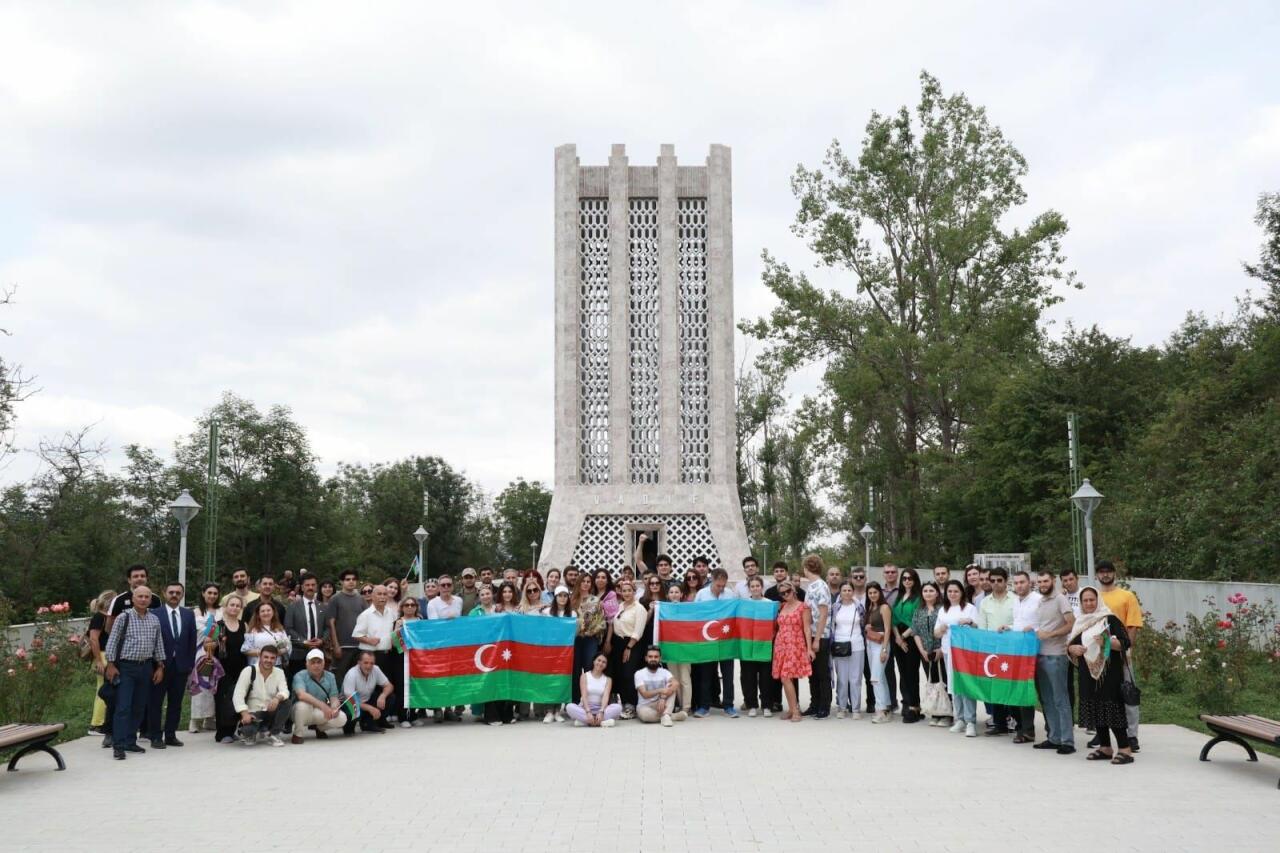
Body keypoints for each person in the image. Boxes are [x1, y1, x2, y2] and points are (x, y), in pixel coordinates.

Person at [1068, 587, 1134, 764]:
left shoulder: (1109, 618)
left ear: (1098, 601)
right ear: (1081, 603)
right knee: (1096, 708)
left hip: (1109, 674)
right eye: (1085, 601)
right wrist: (1072, 649)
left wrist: (1107, 641)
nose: (1089, 604)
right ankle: (1105, 747)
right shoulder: (1081, 621)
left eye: (1092, 600)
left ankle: (1125, 749)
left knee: (1112, 708)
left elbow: (1125, 643)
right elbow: (1071, 645)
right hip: (1087, 674)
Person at [103, 585, 166, 760]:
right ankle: (119, 745)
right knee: (123, 707)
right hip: (126, 667)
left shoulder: (154, 620)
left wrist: (160, 666)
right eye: (140, 596)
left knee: (139, 707)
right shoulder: (124, 618)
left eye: (147, 596)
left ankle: (130, 740)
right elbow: (112, 641)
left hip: (146, 667)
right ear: (133, 599)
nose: (144, 599)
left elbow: (158, 644)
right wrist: (110, 664)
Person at [1096, 560, 1143, 751]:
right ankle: (1103, 733)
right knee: (1102, 696)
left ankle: (1131, 736)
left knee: (1127, 693)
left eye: (1108, 571)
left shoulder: (1126, 596)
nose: (1105, 575)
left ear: (1114, 573)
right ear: (1097, 575)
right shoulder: (1094, 596)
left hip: (1120, 652)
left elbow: (1132, 625)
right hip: (1098, 655)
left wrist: (1127, 648)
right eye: (1101, 572)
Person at [148, 581, 197, 749]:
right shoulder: (154, 614)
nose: (174, 595)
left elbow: (192, 641)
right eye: (171, 592)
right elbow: (151, 641)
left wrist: (189, 664)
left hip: (181, 666)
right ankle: (155, 736)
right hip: (160, 666)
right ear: (164, 593)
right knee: (156, 703)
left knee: (176, 703)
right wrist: (156, 665)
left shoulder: (188, 615)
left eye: (178, 592)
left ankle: (170, 735)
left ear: (182, 595)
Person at [1032, 570, 1076, 754]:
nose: (1042, 584)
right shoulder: (1041, 601)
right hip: (1040, 655)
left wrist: (1050, 634)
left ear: (1053, 581)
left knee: (1060, 699)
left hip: (1056, 655)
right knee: (1047, 700)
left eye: (1045, 581)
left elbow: (1071, 623)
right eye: (1040, 581)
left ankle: (1067, 741)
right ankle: (1054, 737)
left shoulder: (1060, 599)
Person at [934, 580, 979, 737]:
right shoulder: (943, 611)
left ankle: (971, 721)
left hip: (965, 653)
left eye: (956, 591)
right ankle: (959, 718)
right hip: (948, 651)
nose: (952, 594)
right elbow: (936, 634)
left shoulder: (970, 608)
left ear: (961, 593)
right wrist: (942, 628)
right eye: (950, 591)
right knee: (954, 685)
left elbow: (978, 628)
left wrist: (969, 622)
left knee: (966, 686)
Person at [693, 568, 739, 718]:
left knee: (728, 675)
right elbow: (695, 615)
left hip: (726, 640)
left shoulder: (731, 594)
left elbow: (736, 615)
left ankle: (729, 706)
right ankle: (704, 706)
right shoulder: (701, 594)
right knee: (706, 675)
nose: (721, 588)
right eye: (718, 585)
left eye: (723, 586)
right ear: (711, 580)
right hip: (708, 639)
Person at [976, 567, 1014, 734]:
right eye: (993, 581)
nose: (996, 584)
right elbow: (982, 627)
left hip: (1013, 649)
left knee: (1011, 686)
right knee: (994, 687)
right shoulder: (985, 602)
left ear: (1006, 581)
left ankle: (1016, 721)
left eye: (1000, 580)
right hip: (992, 650)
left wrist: (1010, 628)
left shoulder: (1015, 600)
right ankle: (999, 724)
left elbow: (1020, 622)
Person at [231, 643, 289, 746]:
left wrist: (277, 698)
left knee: (286, 702)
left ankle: (274, 734)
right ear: (260, 657)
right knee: (248, 731)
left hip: (269, 710)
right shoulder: (248, 671)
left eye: (272, 658)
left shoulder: (279, 672)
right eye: (266, 657)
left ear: (276, 659)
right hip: (253, 713)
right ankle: (254, 731)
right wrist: (244, 714)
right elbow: (238, 695)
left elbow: (285, 691)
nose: (269, 660)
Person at [772, 580, 813, 721]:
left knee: (786, 677)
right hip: (781, 645)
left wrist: (809, 648)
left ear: (793, 590)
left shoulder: (803, 607)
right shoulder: (782, 606)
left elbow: (807, 628)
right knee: (785, 679)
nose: (785, 594)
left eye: (787, 591)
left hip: (795, 644)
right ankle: (791, 708)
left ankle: (796, 711)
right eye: (782, 593)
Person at [764, 561, 801, 714]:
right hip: (778, 640)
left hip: (794, 641)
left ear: (786, 572)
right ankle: (777, 702)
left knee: (792, 675)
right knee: (778, 673)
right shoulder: (769, 593)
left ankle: (795, 706)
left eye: (782, 570)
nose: (785, 595)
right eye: (776, 570)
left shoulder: (800, 594)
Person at [289, 648, 348, 743]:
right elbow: (301, 695)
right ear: (307, 664)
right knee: (302, 705)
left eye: (319, 662)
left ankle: (320, 729)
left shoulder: (330, 676)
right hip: (300, 712)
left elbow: (334, 697)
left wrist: (334, 707)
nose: (316, 665)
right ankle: (298, 734)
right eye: (312, 662)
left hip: (320, 711)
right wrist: (323, 706)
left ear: (324, 663)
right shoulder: (299, 675)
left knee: (341, 718)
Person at [211, 594, 248, 744]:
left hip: (240, 667)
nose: (234, 608)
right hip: (222, 668)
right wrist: (215, 643)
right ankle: (221, 732)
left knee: (238, 698)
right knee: (222, 700)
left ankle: (232, 730)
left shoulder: (244, 625)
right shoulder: (217, 625)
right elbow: (208, 645)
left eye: (237, 605)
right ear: (225, 607)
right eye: (231, 605)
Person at [606, 579, 645, 718]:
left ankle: (632, 705)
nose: (627, 593)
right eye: (624, 591)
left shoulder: (639, 608)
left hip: (631, 644)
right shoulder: (620, 606)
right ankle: (624, 704)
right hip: (618, 643)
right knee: (620, 674)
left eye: (629, 590)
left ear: (634, 592)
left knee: (629, 674)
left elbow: (638, 630)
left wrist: (629, 647)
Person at [912, 581, 948, 726]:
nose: (928, 593)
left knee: (944, 681)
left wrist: (940, 649)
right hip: (925, 652)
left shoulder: (942, 609)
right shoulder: (919, 610)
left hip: (941, 651)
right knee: (932, 682)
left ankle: (947, 714)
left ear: (937, 593)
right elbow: (915, 632)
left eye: (931, 590)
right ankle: (935, 712)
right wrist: (921, 650)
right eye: (925, 591)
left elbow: (946, 631)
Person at [891, 568, 924, 723]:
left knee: (912, 673)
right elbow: (894, 619)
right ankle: (911, 705)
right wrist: (898, 637)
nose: (907, 581)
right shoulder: (898, 597)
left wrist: (904, 637)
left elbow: (917, 619)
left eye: (910, 578)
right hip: (898, 637)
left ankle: (914, 706)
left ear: (915, 580)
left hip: (912, 637)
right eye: (904, 578)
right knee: (903, 674)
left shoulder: (918, 598)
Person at [801, 554, 831, 719]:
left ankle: (824, 706)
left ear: (807, 568)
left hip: (821, 635)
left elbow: (823, 614)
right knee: (812, 673)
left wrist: (817, 639)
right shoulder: (811, 586)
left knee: (822, 673)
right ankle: (814, 704)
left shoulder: (821, 586)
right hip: (811, 634)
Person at [830, 581, 865, 720]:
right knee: (842, 679)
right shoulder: (835, 607)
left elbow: (863, 624)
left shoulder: (859, 607)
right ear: (840, 592)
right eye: (844, 590)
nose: (847, 593)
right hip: (839, 646)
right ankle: (842, 707)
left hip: (857, 645)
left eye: (849, 590)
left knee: (855, 679)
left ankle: (856, 708)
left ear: (853, 591)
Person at [739, 576, 773, 717]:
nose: (755, 588)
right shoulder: (743, 604)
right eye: (752, 586)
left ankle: (766, 706)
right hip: (748, 647)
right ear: (749, 589)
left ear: (762, 587)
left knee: (766, 678)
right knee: (749, 677)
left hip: (764, 646)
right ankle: (752, 704)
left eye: (757, 586)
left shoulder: (770, 603)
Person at [284, 575, 327, 683]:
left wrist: (322, 640)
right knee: (298, 684)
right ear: (302, 588)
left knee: (317, 683)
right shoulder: (293, 607)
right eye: (307, 585)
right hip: (299, 654)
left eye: (313, 585)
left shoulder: (323, 607)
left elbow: (328, 628)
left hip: (318, 652)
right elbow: (288, 628)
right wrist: (304, 642)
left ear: (316, 587)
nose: (310, 587)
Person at [87, 589, 117, 738]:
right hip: (103, 656)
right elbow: (94, 639)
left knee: (107, 690)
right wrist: (98, 660)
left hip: (107, 656)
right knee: (103, 690)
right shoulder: (100, 617)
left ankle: (104, 721)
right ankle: (97, 724)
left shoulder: (109, 617)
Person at [327, 569, 366, 684]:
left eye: (354, 579)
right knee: (339, 678)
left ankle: (354, 702)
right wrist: (336, 645)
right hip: (342, 647)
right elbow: (331, 623)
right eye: (347, 579)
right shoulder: (335, 599)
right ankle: (338, 702)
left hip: (359, 646)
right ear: (341, 582)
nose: (351, 582)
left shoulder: (361, 599)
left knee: (357, 679)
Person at [342, 650, 394, 734]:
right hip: (349, 703)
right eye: (365, 663)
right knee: (354, 709)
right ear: (359, 662)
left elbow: (389, 686)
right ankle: (348, 727)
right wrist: (370, 708)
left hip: (367, 700)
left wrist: (383, 696)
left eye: (371, 663)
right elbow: (350, 700)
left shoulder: (376, 669)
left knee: (390, 696)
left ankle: (371, 724)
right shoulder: (352, 674)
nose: (369, 666)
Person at [570, 573, 604, 704]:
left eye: (588, 581)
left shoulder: (596, 601)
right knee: (575, 670)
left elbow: (601, 622)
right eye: (583, 581)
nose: (585, 583)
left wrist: (588, 632)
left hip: (590, 639)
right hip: (574, 640)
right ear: (578, 583)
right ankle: (573, 701)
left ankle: (590, 701)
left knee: (590, 668)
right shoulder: (571, 600)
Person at [863, 581, 894, 723]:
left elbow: (888, 629)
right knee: (879, 677)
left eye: (875, 592)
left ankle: (881, 710)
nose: (873, 595)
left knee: (875, 678)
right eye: (870, 593)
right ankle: (886, 707)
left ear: (879, 593)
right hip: (870, 643)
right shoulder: (870, 607)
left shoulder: (884, 607)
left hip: (880, 644)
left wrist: (884, 649)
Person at [661, 583, 695, 712]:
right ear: (667, 595)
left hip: (685, 648)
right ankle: (679, 704)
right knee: (674, 679)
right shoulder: (664, 609)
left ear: (681, 595)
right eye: (671, 592)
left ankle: (686, 706)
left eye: (676, 592)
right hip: (670, 649)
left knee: (685, 678)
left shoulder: (688, 609)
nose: (674, 594)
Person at [391, 596, 424, 726]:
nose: (410, 607)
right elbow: (393, 644)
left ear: (416, 607)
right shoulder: (398, 621)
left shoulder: (420, 620)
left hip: (417, 658)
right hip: (401, 658)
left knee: (415, 687)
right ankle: (403, 717)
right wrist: (397, 629)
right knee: (402, 687)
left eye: (412, 605)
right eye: (407, 605)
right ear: (402, 607)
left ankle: (413, 716)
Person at [566, 652, 621, 727]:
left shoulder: (608, 679)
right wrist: (588, 712)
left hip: (600, 708)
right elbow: (584, 695)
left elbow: (606, 697)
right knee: (569, 707)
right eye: (599, 660)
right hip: (585, 708)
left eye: (604, 662)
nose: (601, 663)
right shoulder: (584, 676)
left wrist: (601, 711)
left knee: (618, 707)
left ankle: (586, 722)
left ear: (606, 665)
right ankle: (600, 722)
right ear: (594, 661)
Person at [635, 646, 686, 725]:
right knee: (645, 716)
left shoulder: (664, 672)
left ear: (660, 658)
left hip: (661, 703)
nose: (653, 659)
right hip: (645, 706)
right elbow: (644, 694)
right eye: (650, 657)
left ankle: (666, 715)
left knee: (672, 686)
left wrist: (663, 698)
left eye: (656, 657)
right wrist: (660, 690)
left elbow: (676, 683)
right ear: (646, 658)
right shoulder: (639, 674)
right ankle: (670, 716)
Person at [242, 601, 291, 670]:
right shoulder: (252, 630)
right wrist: (263, 653)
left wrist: (277, 652)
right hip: (257, 666)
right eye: (262, 611)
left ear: (273, 612)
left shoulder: (280, 629)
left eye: (268, 610)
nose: (266, 613)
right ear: (258, 614)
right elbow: (245, 650)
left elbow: (287, 646)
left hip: (276, 665)